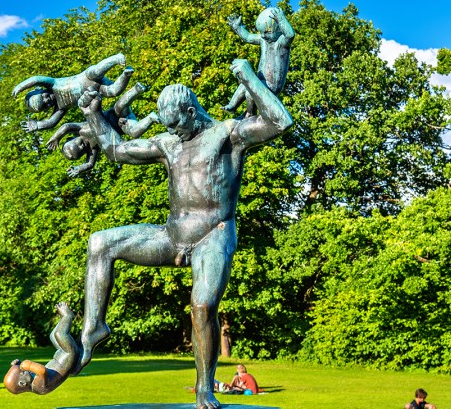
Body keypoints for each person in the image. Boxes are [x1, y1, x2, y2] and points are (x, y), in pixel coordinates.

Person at [75, 58, 293, 409]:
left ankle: (205, 387)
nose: (173, 132)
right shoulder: (168, 144)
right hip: (172, 235)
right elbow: (116, 151)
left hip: (214, 234)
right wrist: (93, 115)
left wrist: (250, 78)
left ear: (191, 112)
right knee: (100, 242)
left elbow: (280, 122)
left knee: (202, 305)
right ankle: (93, 328)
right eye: (169, 127)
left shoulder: (227, 134)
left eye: (177, 125)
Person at [45, 82, 158, 177]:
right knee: (134, 133)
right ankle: (151, 118)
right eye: (81, 150)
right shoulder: (93, 148)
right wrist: (80, 168)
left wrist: (56, 137)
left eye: (78, 144)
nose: (81, 146)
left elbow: (66, 126)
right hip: (124, 126)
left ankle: (137, 89)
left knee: (120, 105)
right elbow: (90, 163)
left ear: (72, 138)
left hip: (114, 115)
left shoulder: (80, 129)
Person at [13, 53, 134, 133]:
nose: (47, 101)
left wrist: (21, 86)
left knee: (96, 71)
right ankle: (126, 74)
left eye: (42, 97)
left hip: (87, 78)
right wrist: (38, 125)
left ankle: (115, 58)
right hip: (98, 89)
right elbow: (51, 122)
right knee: (114, 91)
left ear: (39, 89)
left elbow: (36, 79)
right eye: (44, 105)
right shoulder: (60, 108)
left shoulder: (53, 84)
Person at [223, 7, 295, 116]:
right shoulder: (264, 40)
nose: (262, 35)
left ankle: (250, 114)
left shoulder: (281, 43)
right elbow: (247, 37)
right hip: (260, 80)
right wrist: (238, 27)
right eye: (261, 32)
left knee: (250, 93)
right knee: (245, 83)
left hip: (272, 85)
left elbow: (290, 35)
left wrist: (281, 20)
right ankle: (232, 106)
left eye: (266, 32)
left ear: (278, 29)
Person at [4, 302, 80, 395]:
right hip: (68, 354)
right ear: (23, 383)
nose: (25, 370)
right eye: (23, 372)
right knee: (59, 334)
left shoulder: (33, 383)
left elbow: (28, 369)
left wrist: (18, 364)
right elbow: (42, 370)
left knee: (52, 335)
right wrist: (29, 365)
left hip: (61, 354)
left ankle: (64, 319)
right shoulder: (38, 386)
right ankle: (68, 316)